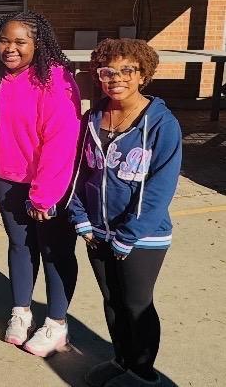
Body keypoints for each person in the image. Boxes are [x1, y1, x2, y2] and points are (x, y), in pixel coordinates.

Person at [68, 39, 181, 387]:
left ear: (143, 74)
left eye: (127, 70)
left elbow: (161, 187)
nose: (116, 78)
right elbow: (79, 172)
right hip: (97, 231)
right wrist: (80, 216)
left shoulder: (161, 124)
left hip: (142, 236)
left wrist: (129, 235)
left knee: (136, 304)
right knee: (112, 301)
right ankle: (122, 360)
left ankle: (144, 375)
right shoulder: (93, 117)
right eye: (107, 72)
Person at [0, 11, 81, 357]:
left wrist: (44, 195)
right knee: (20, 246)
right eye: (3, 41)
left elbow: (61, 139)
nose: (10, 49)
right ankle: (21, 310)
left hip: (48, 186)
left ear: (38, 43)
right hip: (7, 180)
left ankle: (56, 323)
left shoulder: (55, 79)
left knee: (54, 252)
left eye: (20, 42)